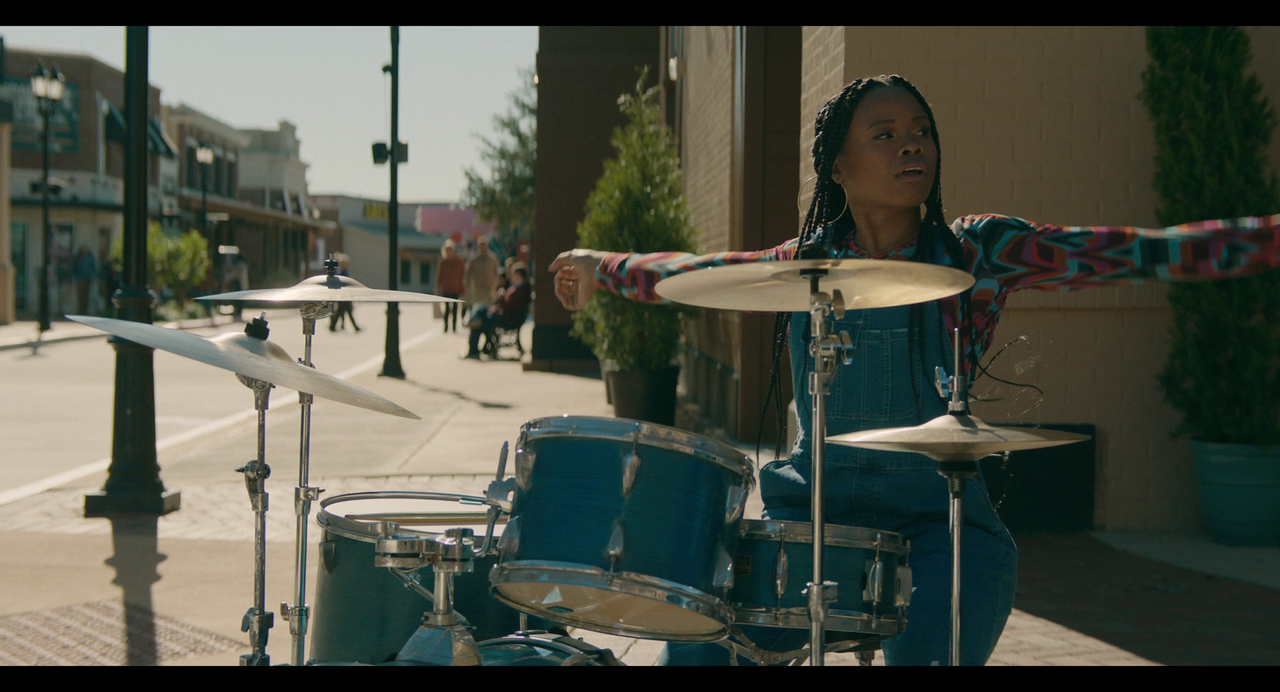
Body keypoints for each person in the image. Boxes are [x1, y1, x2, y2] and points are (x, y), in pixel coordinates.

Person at [549, 74, 1280, 666]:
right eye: (886, 134)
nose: (911, 146)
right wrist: (597, 264)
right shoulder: (802, 266)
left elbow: (1130, 252)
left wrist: (1263, 242)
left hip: (943, 524)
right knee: (701, 646)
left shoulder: (978, 253)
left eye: (922, 131)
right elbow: (693, 272)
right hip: (810, 520)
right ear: (838, 166)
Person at [464, 263, 531, 359]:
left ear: (518, 275)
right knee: (479, 307)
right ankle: (473, 321)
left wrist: (499, 302)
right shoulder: (518, 287)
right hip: (504, 315)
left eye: (513, 273)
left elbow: (510, 307)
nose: (510, 276)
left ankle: (473, 350)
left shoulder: (520, 289)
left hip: (506, 319)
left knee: (479, 321)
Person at [436, 241, 466, 333]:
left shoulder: (459, 261)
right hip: (446, 288)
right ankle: (445, 325)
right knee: (447, 308)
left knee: (455, 307)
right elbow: (440, 275)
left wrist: (463, 286)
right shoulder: (443, 262)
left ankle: (454, 325)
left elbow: (463, 274)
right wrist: (437, 287)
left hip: (456, 288)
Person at [464, 239, 501, 310]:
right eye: (481, 247)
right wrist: (467, 284)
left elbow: (498, 272)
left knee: (490, 305)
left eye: (484, 246)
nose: (483, 248)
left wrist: (497, 284)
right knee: (479, 305)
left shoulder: (492, 259)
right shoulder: (473, 260)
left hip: (490, 286)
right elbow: (468, 273)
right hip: (478, 287)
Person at [329, 254, 360, 332]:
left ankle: (333, 326)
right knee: (346, 311)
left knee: (341, 311)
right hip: (343, 294)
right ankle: (355, 327)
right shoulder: (340, 272)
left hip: (346, 294)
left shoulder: (345, 271)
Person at [72, 247, 97, 316]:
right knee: (80, 295)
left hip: (88, 279)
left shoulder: (90, 258)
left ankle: (85, 310)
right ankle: (80, 310)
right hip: (80, 278)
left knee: (86, 295)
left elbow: (93, 268)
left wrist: (94, 277)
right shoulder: (78, 258)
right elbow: (74, 268)